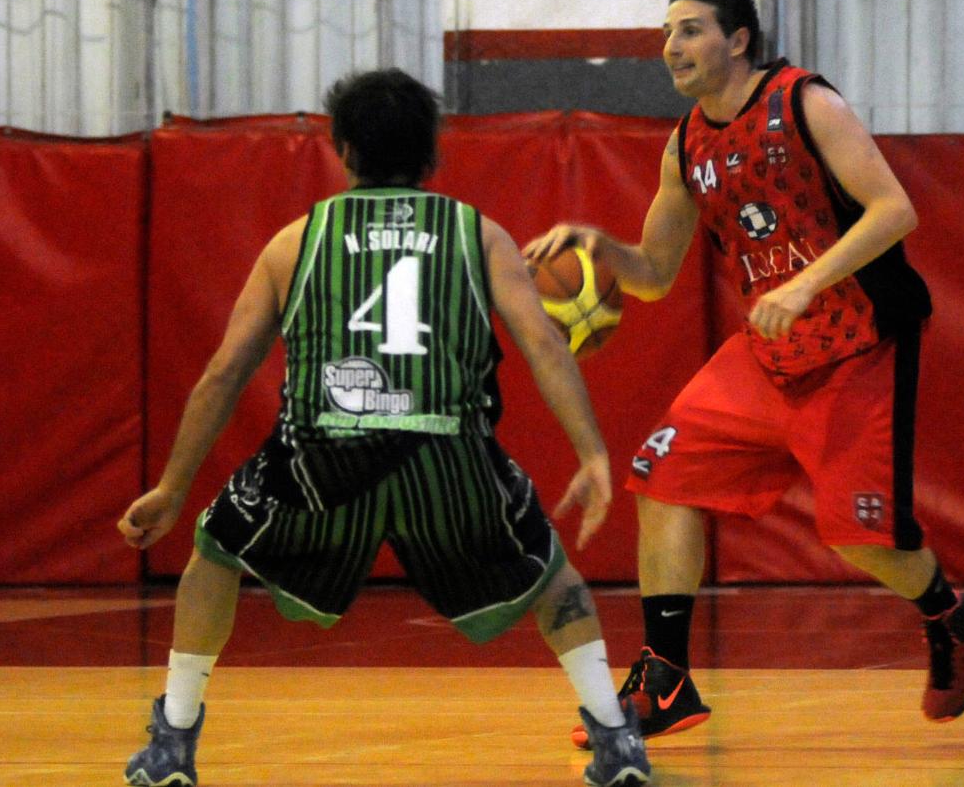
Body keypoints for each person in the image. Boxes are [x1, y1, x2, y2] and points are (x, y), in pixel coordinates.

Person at [117, 68, 650, 787]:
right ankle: (615, 740)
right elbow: (545, 347)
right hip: (449, 455)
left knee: (215, 551)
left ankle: (173, 743)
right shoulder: (479, 235)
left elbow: (223, 375)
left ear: (343, 149)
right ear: (432, 155)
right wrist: (591, 452)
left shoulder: (294, 242)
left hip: (320, 459)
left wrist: (173, 488)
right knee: (552, 574)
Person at [524, 0, 964, 749]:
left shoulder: (807, 102)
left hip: (858, 343)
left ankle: (947, 615)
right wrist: (600, 247)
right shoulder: (685, 145)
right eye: (666, 33)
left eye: (691, 29)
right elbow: (655, 273)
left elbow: (895, 209)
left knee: (860, 539)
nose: (672, 46)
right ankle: (665, 677)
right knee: (661, 477)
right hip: (768, 353)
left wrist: (807, 283)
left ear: (738, 39)